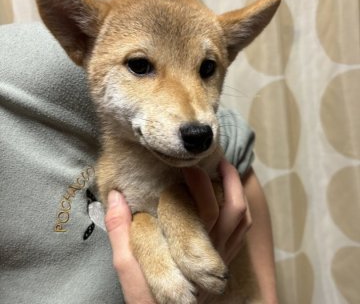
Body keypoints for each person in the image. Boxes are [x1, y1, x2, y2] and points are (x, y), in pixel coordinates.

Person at [0, 23, 277, 303]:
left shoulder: (31, 65)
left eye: (206, 69)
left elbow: (236, 162)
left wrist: (266, 298)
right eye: (141, 66)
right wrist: (144, 233)